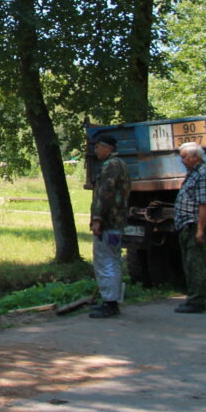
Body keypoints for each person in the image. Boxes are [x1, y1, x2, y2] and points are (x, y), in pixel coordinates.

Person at [89, 134, 131, 318]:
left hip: (108, 224)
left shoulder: (110, 166)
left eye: (97, 147)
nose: (95, 150)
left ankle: (110, 303)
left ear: (107, 148)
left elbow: (104, 194)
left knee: (105, 261)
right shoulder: (121, 165)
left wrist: (97, 219)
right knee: (113, 259)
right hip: (117, 223)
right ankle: (111, 300)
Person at [173, 141, 206, 313]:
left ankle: (197, 301)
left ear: (195, 157)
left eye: (184, 157)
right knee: (189, 262)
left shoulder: (204, 174)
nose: (182, 160)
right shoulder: (193, 173)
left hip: (194, 224)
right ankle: (192, 297)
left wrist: (200, 229)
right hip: (187, 224)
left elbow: (204, 204)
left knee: (195, 262)